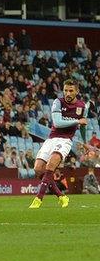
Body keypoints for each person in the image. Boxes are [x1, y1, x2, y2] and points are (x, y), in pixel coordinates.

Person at [30, 80, 87, 209]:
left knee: (51, 164)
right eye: (65, 90)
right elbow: (58, 122)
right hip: (52, 138)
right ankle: (61, 196)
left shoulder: (82, 107)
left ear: (77, 91)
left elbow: (83, 126)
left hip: (65, 140)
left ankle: (38, 199)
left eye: (71, 90)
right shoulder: (58, 102)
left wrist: (84, 142)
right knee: (38, 169)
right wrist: (77, 121)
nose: (67, 93)